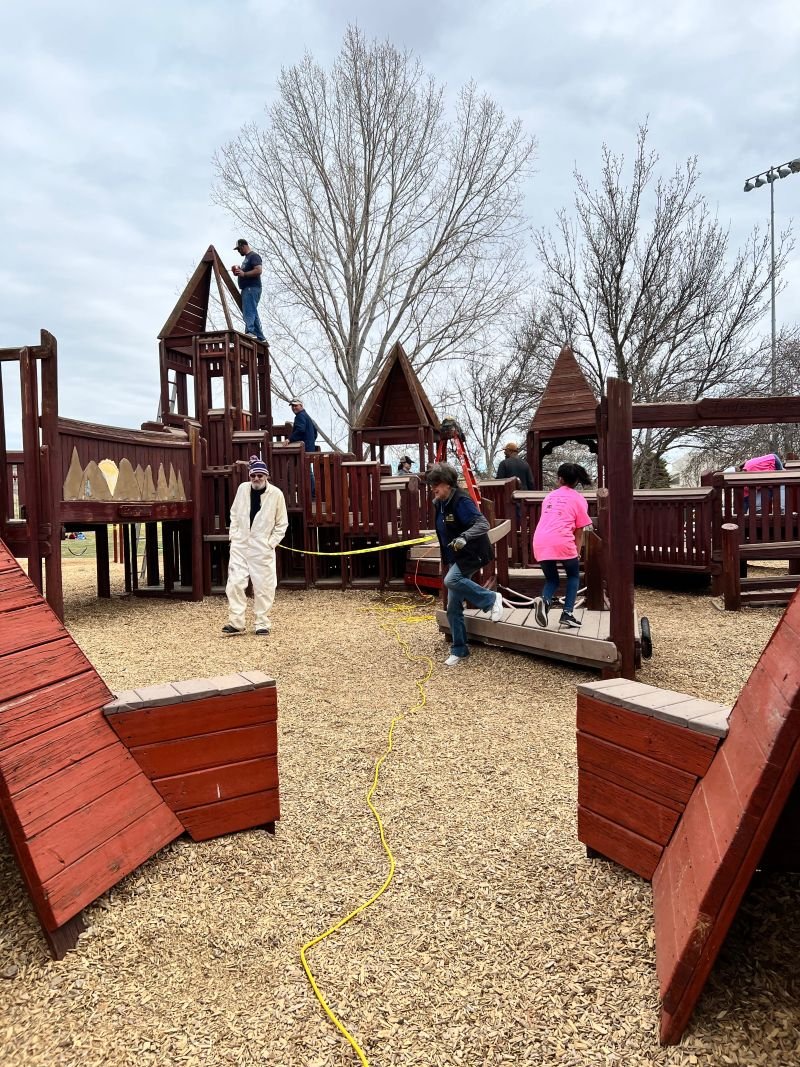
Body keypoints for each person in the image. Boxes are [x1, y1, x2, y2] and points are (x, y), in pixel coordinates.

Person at [428, 463, 504, 667]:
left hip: (473, 554)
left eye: (436, 484)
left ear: (447, 483)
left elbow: (483, 524)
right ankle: (459, 649)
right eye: (431, 485)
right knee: (453, 606)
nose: (433, 488)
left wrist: (464, 537)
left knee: (451, 580)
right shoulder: (440, 503)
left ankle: (491, 599)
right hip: (457, 557)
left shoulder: (461, 501)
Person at [223, 455, 288, 637]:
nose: (256, 479)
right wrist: (234, 535)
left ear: (266, 476)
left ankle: (262, 623)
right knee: (235, 583)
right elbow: (234, 513)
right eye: (253, 475)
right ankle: (236, 622)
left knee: (264, 586)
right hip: (240, 544)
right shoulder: (242, 489)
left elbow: (282, 523)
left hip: (262, 546)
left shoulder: (276, 494)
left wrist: (271, 543)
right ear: (249, 476)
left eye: (260, 475)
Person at [531, 463, 593, 630]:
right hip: (563, 540)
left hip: (540, 540)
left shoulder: (549, 497)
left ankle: (545, 600)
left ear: (560, 479)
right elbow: (579, 532)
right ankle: (567, 613)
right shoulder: (579, 499)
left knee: (552, 579)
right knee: (573, 576)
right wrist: (577, 552)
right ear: (576, 480)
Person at [231, 239, 266, 342]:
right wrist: (239, 272)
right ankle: (260, 337)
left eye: (239, 249)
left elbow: (258, 270)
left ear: (243, 246)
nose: (238, 251)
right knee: (253, 311)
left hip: (251, 288)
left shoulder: (253, 256)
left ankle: (250, 332)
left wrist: (244, 274)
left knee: (249, 311)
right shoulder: (247, 258)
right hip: (248, 289)